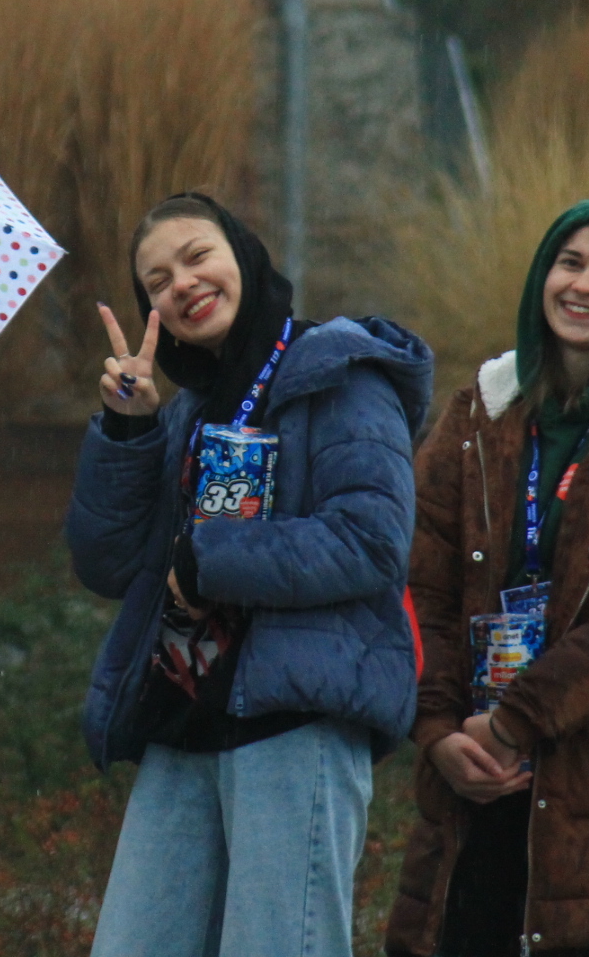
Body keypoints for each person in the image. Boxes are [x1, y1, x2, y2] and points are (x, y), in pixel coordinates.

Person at [65, 191, 433, 957]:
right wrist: (128, 433)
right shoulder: (186, 413)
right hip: (181, 720)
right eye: (158, 281)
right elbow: (107, 562)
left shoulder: (341, 374)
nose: (182, 284)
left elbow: (371, 542)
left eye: (197, 256)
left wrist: (211, 563)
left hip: (292, 724)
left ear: (243, 254)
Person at [385, 198, 589, 957]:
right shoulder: (477, 415)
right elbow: (422, 585)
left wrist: (514, 723)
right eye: (570, 264)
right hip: (474, 774)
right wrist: (437, 730)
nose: (584, 286)